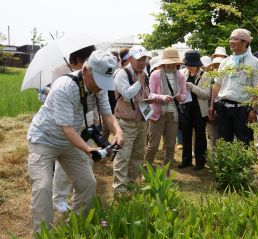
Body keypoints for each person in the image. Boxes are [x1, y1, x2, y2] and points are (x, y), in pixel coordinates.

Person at [27, 50, 124, 234]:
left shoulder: (99, 88)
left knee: (88, 183)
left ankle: (77, 227)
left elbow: (108, 115)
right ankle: (42, 234)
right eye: (98, 81)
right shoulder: (64, 86)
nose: (101, 87)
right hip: (44, 139)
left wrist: (118, 132)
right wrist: (88, 149)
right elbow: (67, 128)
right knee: (43, 186)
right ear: (86, 70)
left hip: (70, 142)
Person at [51, 45, 96, 213]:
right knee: (63, 166)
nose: (88, 63)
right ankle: (59, 198)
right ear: (76, 60)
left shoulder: (92, 74)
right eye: (85, 59)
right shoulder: (60, 72)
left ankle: (79, 194)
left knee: (86, 160)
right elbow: (50, 94)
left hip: (86, 121)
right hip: (66, 124)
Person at [209, 28, 258, 144]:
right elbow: (217, 84)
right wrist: (212, 105)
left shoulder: (255, 62)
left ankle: (244, 163)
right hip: (223, 108)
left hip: (243, 109)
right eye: (230, 39)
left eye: (235, 39)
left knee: (244, 142)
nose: (231, 42)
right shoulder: (225, 61)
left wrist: (253, 109)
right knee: (224, 142)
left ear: (245, 42)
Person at [112, 45, 151, 196]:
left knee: (137, 156)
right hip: (125, 122)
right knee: (123, 156)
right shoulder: (121, 73)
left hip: (141, 121)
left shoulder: (143, 73)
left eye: (144, 59)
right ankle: (119, 191)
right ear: (129, 59)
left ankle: (132, 185)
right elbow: (127, 95)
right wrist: (139, 82)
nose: (142, 62)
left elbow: (145, 95)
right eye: (139, 59)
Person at [144, 47, 187, 176]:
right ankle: (147, 169)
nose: (172, 64)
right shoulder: (155, 74)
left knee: (170, 144)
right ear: (164, 62)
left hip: (172, 114)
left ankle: (167, 171)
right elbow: (150, 95)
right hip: (157, 113)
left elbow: (184, 94)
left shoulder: (180, 76)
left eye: (174, 62)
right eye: (170, 62)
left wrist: (180, 97)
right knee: (153, 144)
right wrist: (162, 97)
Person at [178, 50, 209, 170]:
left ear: (198, 64)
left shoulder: (205, 75)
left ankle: (200, 161)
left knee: (200, 135)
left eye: (192, 65)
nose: (189, 67)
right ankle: (186, 160)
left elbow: (206, 94)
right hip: (185, 107)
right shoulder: (182, 73)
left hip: (199, 109)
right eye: (187, 65)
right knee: (186, 134)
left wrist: (192, 87)